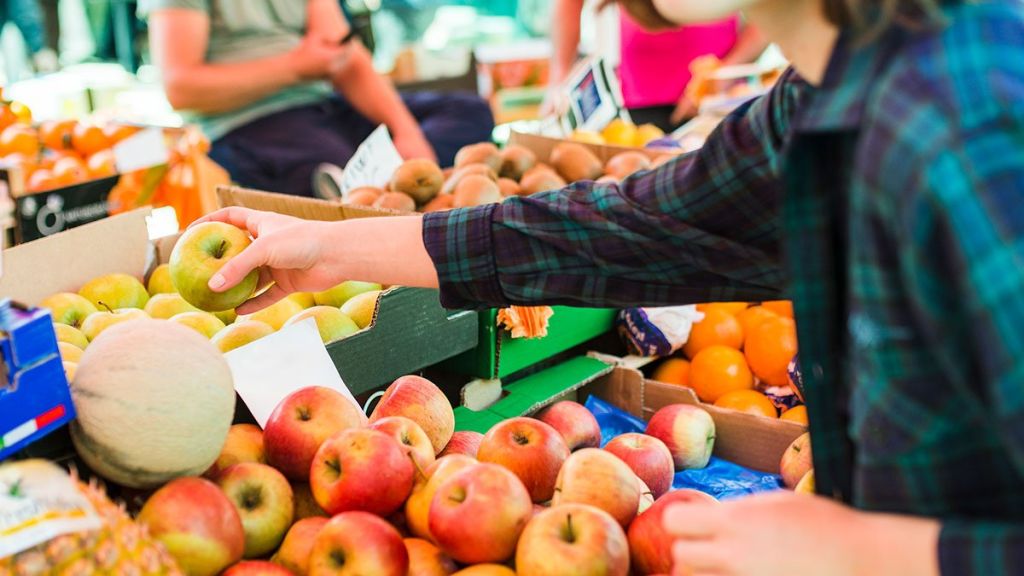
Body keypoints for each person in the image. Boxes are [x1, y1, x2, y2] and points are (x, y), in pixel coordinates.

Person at [200, 0, 1024, 573]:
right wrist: (336, 250)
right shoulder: (821, 103)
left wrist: (869, 556)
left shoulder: (962, 121)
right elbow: (624, 228)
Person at [139, 0, 494, 197]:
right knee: (336, 168)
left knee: (468, 111)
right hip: (247, 119)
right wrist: (295, 66)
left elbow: (343, 56)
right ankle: (357, 186)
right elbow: (180, 87)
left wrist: (406, 133)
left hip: (323, 104)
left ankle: (372, 183)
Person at [545, 0, 768, 130]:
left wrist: (724, 73)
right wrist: (559, 76)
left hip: (720, 102)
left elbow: (772, 14)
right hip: (639, 101)